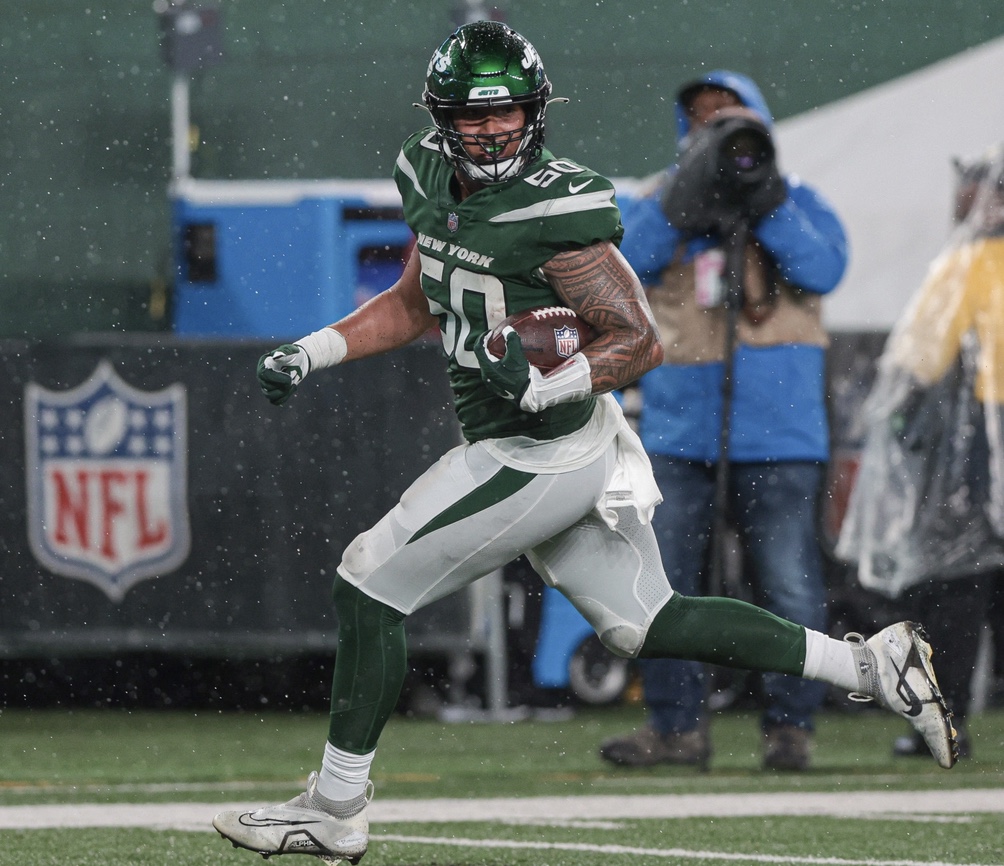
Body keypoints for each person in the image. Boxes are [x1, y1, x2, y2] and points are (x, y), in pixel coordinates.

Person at [212, 22, 957, 865]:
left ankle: (336, 808)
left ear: (535, 112)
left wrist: (544, 385)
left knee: (369, 583)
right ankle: (872, 667)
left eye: (507, 113)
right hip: (544, 442)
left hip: (540, 450)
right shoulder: (424, 173)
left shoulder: (558, 208)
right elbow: (414, 303)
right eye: (472, 115)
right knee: (650, 623)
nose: (492, 131)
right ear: (441, 118)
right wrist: (315, 349)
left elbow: (638, 340)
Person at [598, 71, 848, 773]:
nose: (718, 133)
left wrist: (767, 205)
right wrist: (680, 202)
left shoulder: (798, 198)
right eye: (703, 123)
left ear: (758, 126)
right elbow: (622, 264)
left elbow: (825, 269)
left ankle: (790, 729)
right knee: (662, 582)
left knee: (788, 586)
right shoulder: (660, 198)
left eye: (730, 120)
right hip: (679, 431)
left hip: (781, 433)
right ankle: (677, 728)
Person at [837, 144, 1004, 760]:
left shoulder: (968, 265)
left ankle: (944, 717)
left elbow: (917, 364)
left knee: (957, 583)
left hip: (975, 448)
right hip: (979, 435)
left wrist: (897, 421)